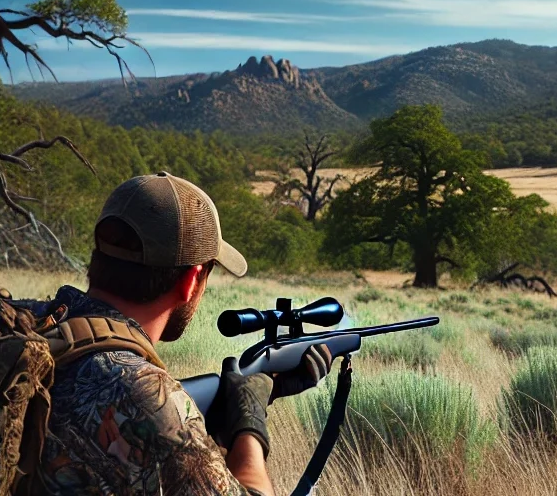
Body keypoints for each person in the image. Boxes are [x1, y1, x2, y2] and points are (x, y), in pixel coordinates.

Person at [25, 171, 331, 496]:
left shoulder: (23, 321)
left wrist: (256, 395)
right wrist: (249, 424)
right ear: (190, 281)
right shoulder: (153, 402)